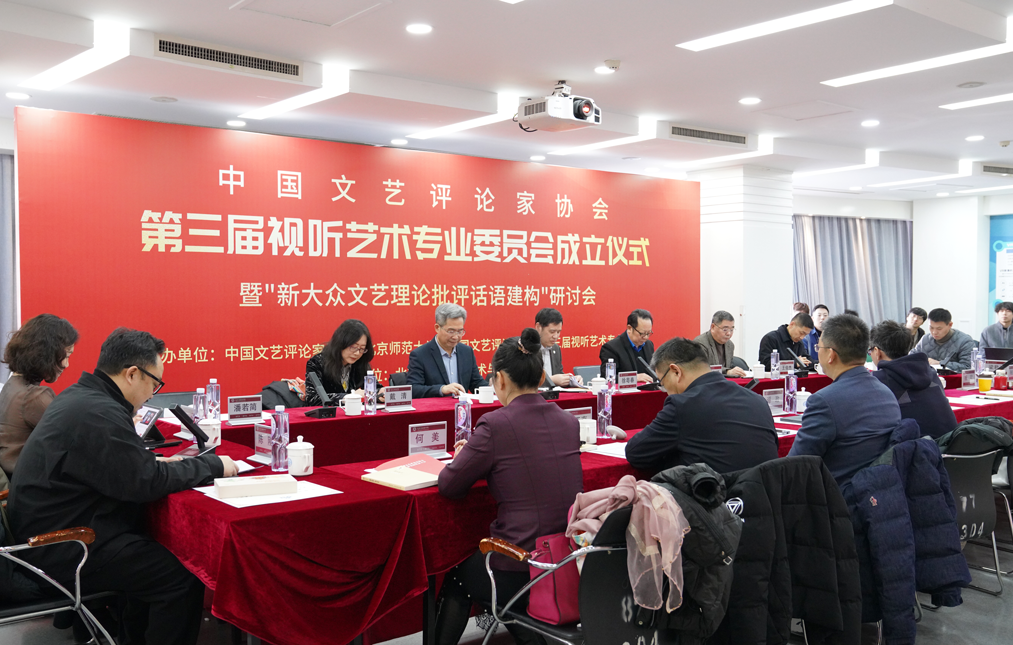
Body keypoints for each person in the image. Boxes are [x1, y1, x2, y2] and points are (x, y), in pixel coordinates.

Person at [8, 328, 238, 645]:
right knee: (180, 576)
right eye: (155, 384)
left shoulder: (82, 397)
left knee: (150, 556)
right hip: (65, 545)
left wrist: (152, 465)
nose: (153, 394)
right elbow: (144, 483)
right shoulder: (98, 411)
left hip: (54, 530)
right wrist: (213, 466)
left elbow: (126, 471)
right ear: (132, 374)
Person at [435, 329, 582, 645]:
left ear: (499, 379)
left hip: (520, 561)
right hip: (566, 557)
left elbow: (449, 485)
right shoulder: (569, 422)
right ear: (541, 377)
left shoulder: (495, 424)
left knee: (458, 578)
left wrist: (464, 456)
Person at [625, 337, 778, 473]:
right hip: (764, 493)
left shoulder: (683, 405)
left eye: (662, 383)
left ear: (676, 372)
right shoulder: (758, 400)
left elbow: (635, 452)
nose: (665, 391)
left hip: (715, 494)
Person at [788, 315, 901, 488]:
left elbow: (795, 466)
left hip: (837, 495)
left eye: (819, 347)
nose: (818, 352)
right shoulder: (886, 393)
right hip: (880, 491)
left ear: (831, 354)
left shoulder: (824, 401)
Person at [0, 313, 77, 482]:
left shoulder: (11, 386)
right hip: (33, 488)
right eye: (66, 356)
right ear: (47, 353)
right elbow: (75, 439)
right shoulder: (34, 397)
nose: (66, 364)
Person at [870, 320, 957, 439]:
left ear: (877, 351)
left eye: (870, 351)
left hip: (915, 448)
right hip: (950, 444)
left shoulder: (878, 381)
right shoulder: (929, 371)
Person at [407, 303, 486, 397]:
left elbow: (476, 382)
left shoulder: (467, 352)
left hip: (462, 405)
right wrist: (441, 389)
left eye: (460, 331)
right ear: (437, 328)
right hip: (436, 406)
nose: (456, 337)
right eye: (451, 331)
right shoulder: (420, 355)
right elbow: (413, 389)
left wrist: (492, 388)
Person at [304, 319, 379, 405]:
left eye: (362, 349)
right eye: (353, 347)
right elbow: (312, 398)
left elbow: (374, 388)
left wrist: (380, 393)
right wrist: (348, 397)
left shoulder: (360, 363)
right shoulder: (317, 362)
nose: (357, 353)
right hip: (329, 413)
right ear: (341, 343)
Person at [599, 309, 656, 382]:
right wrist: (633, 378)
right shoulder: (611, 348)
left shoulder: (649, 345)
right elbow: (607, 377)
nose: (646, 337)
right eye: (642, 333)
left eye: (648, 333)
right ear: (629, 328)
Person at [909, 308, 974, 371]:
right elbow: (911, 358)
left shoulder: (965, 341)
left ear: (950, 325)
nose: (934, 332)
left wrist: (939, 363)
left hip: (952, 377)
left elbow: (967, 366)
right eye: (931, 327)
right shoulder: (925, 339)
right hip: (928, 377)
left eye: (939, 329)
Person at [533, 307, 582, 387]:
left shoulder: (555, 348)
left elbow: (559, 376)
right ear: (538, 327)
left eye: (558, 332)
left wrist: (571, 381)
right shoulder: (526, 349)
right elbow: (523, 382)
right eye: (552, 332)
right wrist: (551, 380)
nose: (555, 336)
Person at [693, 311, 746, 377]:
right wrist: (727, 371)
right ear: (713, 327)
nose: (729, 333)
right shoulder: (700, 343)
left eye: (731, 330)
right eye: (725, 329)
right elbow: (701, 369)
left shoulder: (730, 345)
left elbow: (728, 367)